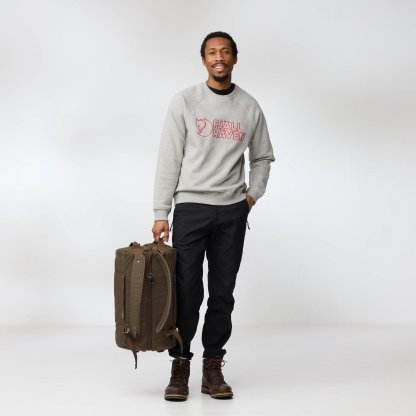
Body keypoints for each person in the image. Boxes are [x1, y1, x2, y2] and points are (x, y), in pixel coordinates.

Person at [152, 31, 275, 401]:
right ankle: (180, 364)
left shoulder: (249, 106)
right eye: (211, 52)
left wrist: (250, 197)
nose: (218, 58)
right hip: (191, 208)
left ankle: (213, 366)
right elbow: (169, 157)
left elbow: (262, 157)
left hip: (232, 212)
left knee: (223, 294)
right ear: (203, 59)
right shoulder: (185, 101)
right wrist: (161, 211)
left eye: (225, 52)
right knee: (187, 291)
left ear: (234, 58)